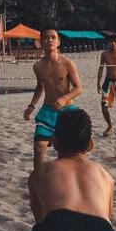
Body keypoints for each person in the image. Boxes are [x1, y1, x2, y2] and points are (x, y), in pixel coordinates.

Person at [27, 109, 116, 231]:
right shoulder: (106, 176)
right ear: (91, 145)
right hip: (101, 230)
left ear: (55, 142)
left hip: (57, 226)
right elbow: (107, 217)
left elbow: (40, 219)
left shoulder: (40, 172)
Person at [24, 27, 83, 169]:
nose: (49, 40)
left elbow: (78, 88)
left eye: (53, 37)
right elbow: (40, 87)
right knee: (38, 147)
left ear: (58, 42)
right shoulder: (37, 66)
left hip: (68, 110)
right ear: (40, 42)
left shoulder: (67, 63)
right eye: (46, 37)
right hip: (48, 111)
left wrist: (64, 98)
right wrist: (31, 106)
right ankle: (38, 181)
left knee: (67, 151)